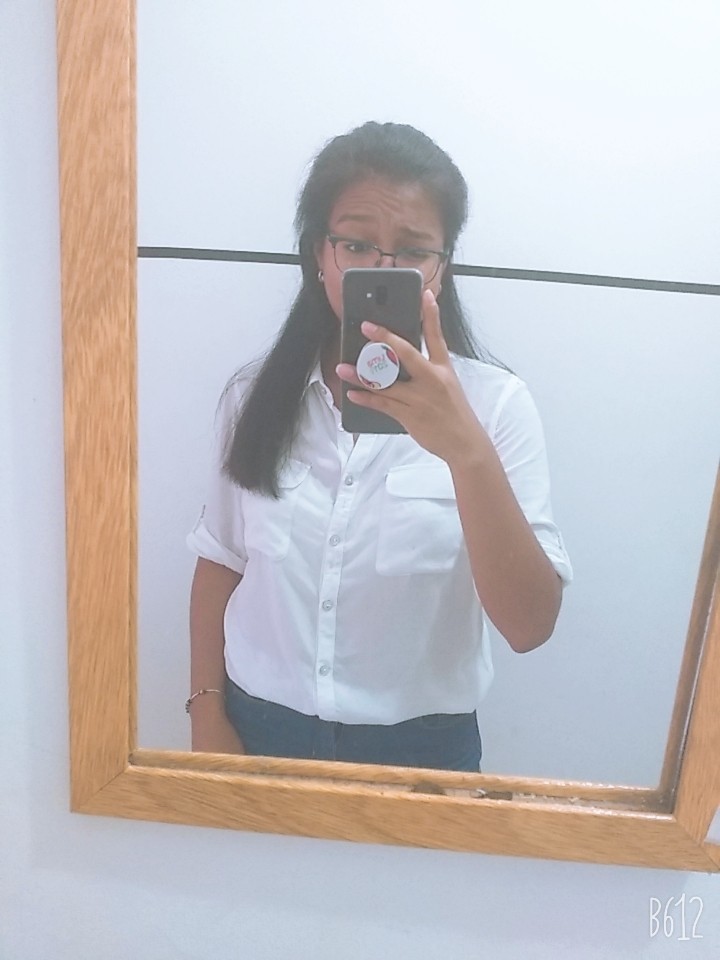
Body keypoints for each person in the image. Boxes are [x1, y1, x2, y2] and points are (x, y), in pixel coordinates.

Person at [186, 121, 573, 772]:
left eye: (413, 249)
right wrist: (206, 713)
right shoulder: (254, 397)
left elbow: (529, 627)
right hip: (256, 731)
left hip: (422, 753)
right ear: (319, 254)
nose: (382, 269)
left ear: (441, 268)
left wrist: (466, 452)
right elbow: (221, 559)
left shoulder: (497, 408)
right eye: (357, 243)